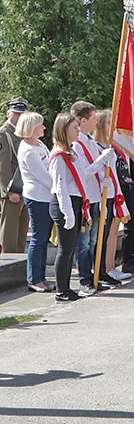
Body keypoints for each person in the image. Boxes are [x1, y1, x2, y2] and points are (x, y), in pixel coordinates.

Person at [70, 101, 116, 295]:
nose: (96, 122)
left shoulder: (90, 141)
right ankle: (85, 280)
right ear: (83, 120)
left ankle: (95, 275)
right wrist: (101, 159)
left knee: (95, 241)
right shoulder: (77, 144)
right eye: (93, 118)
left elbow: (96, 169)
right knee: (85, 242)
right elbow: (83, 173)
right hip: (85, 198)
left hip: (97, 196)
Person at [48, 113, 87, 302]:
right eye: (74, 128)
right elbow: (60, 186)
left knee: (70, 249)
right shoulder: (58, 155)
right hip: (65, 204)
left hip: (75, 202)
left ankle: (67, 288)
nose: (78, 130)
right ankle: (61, 290)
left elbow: (82, 175)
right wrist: (67, 212)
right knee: (65, 249)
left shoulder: (73, 152)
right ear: (64, 130)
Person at [16, 112, 55, 292]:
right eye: (41, 125)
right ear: (32, 127)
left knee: (44, 238)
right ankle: (33, 278)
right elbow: (43, 177)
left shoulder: (39, 144)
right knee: (38, 238)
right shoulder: (27, 150)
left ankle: (42, 276)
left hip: (47, 196)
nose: (44, 128)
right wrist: (59, 189)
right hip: (37, 197)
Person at [92, 110, 132, 282]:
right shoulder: (95, 146)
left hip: (113, 193)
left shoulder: (110, 146)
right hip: (100, 195)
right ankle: (101, 269)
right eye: (108, 123)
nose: (112, 127)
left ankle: (109, 267)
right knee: (103, 234)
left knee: (113, 232)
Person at [1, 96, 29, 255]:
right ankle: (7, 269)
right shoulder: (4, 134)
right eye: (16, 114)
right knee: (9, 234)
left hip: (24, 189)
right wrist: (9, 190)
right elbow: (3, 166)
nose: (19, 117)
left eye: (21, 114)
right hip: (12, 190)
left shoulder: (22, 134)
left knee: (21, 233)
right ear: (8, 113)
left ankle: (18, 268)